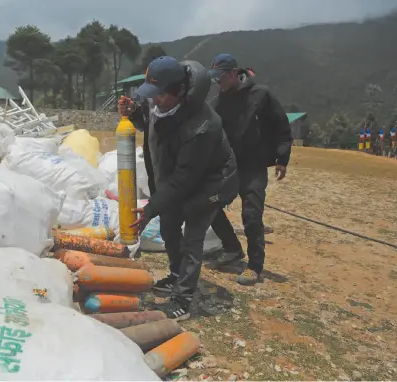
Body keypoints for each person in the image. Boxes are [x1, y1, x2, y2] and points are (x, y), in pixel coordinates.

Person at [117, 56, 239, 320]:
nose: (153, 100)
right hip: (179, 178)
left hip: (210, 182)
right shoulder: (159, 102)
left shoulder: (202, 126)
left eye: (158, 95)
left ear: (180, 91)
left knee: (192, 237)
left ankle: (182, 299)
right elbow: (149, 122)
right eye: (150, 94)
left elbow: (185, 179)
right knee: (168, 226)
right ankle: (175, 275)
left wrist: (149, 209)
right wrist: (134, 112)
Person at [205, 53, 292, 286]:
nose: (217, 83)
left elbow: (282, 126)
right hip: (228, 167)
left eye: (220, 78)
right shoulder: (218, 102)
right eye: (214, 79)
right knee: (209, 204)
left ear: (234, 73)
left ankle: (254, 266)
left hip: (254, 166)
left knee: (252, 216)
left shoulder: (261, 95)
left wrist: (282, 158)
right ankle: (232, 248)